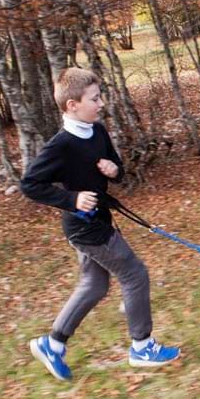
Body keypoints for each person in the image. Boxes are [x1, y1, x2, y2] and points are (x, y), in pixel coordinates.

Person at [20, 68, 180, 381]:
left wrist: (114, 170)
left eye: (100, 96)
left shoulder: (97, 131)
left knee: (95, 284)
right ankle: (142, 347)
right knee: (134, 273)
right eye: (94, 98)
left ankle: (52, 344)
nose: (101, 103)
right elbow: (30, 184)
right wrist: (72, 199)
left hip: (98, 220)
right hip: (85, 227)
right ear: (72, 106)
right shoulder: (61, 146)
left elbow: (116, 168)